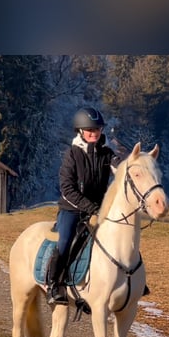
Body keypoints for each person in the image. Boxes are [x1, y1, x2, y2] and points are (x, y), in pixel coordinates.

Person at [46, 106, 121, 305]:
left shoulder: (106, 154)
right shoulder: (72, 154)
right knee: (65, 241)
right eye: (90, 130)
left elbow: (120, 169)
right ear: (80, 131)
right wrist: (92, 208)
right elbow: (67, 190)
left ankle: (128, 279)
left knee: (122, 235)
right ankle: (54, 284)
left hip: (98, 210)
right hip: (72, 209)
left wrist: (131, 165)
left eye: (97, 130)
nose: (94, 133)